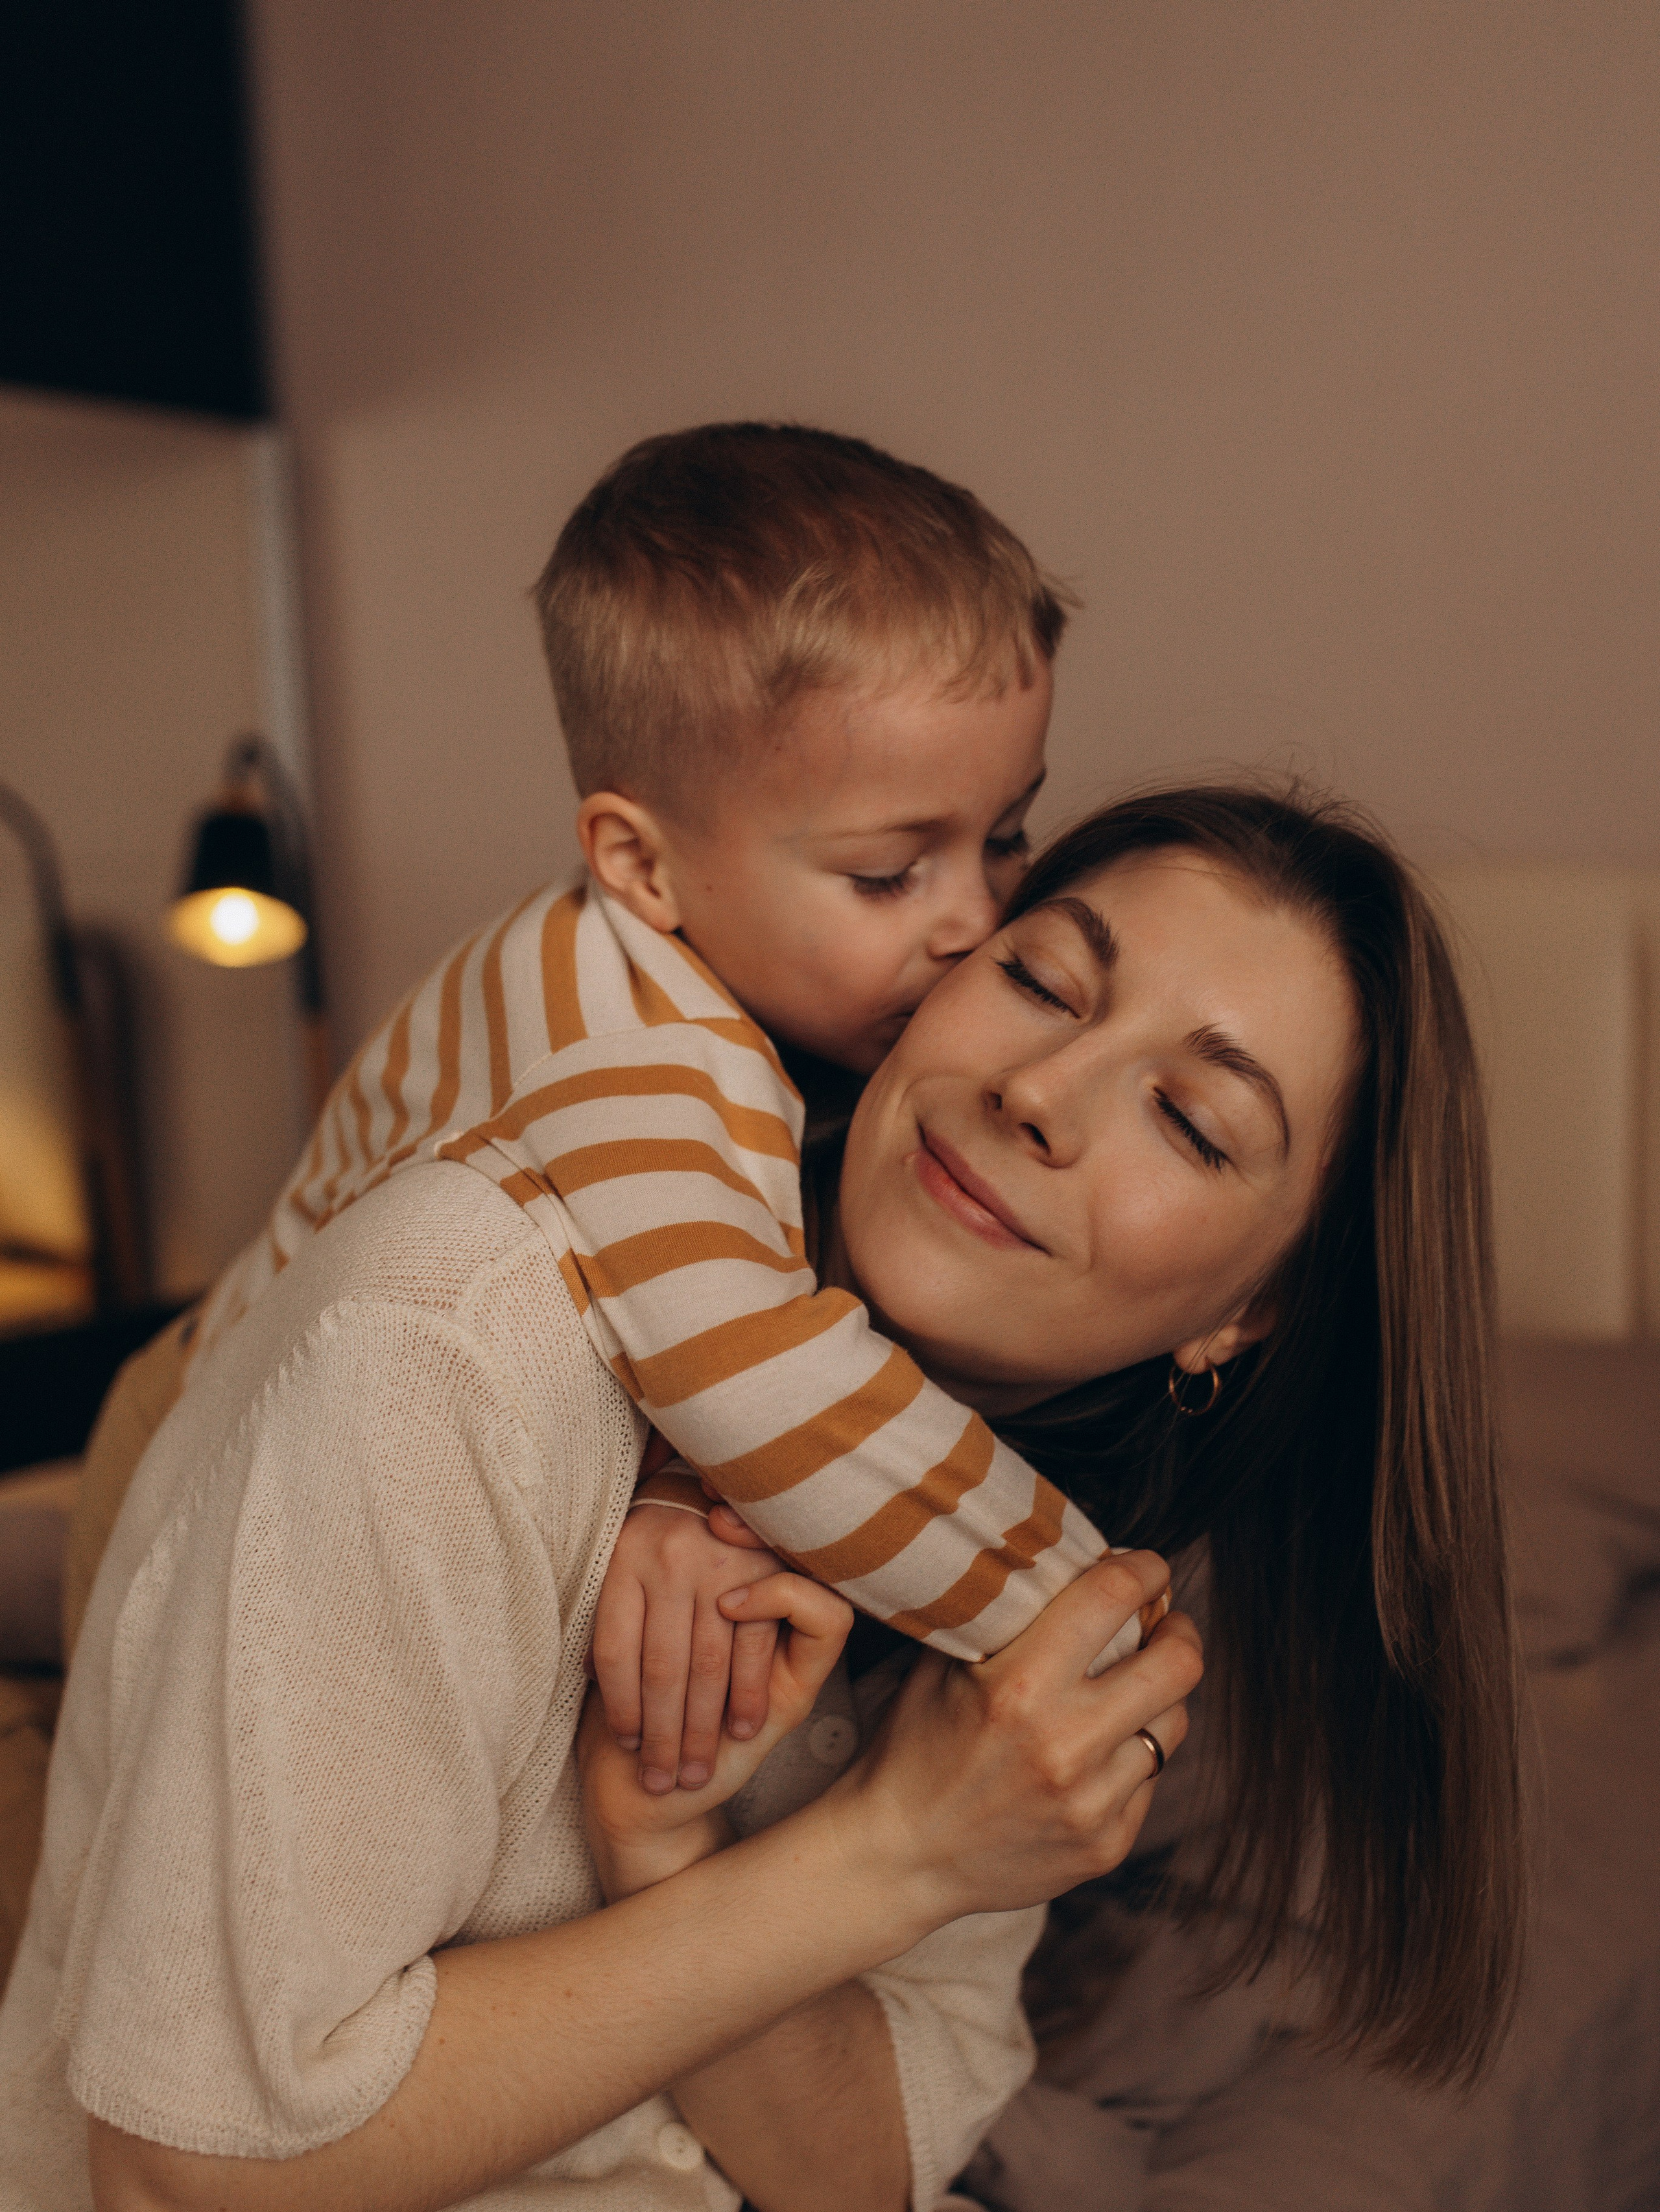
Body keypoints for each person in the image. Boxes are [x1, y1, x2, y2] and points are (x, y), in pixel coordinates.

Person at [0, 785, 1519, 2212]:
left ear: (1249, 1312)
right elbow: (196, 2186)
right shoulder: (463, 1325)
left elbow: (859, 2174)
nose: (1040, 1094)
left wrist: (670, 1843)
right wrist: (883, 1855)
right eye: (1041, 982)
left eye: (1191, 1116)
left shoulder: (1028, 1565)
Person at [182, 422, 1152, 1810]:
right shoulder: (637, 1048)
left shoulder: (764, 998)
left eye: (1004, 836)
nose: (974, 919)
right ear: (640, 864)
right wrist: (1086, 1616)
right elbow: (764, 1385)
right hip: (212, 1454)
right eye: (889, 874)